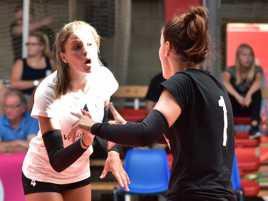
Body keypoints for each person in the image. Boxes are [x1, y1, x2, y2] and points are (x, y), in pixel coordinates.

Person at [70, 6, 236, 201]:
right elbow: (182, 136)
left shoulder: (182, 82)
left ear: (166, 48)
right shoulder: (214, 84)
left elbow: (145, 134)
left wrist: (94, 126)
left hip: (194, 195)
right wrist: (126, 129)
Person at [21, 21, 129, 201]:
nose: (85, 51)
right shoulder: (48, 90)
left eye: (89, 44)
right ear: (63, 56)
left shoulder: (104, 78)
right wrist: (85, 142)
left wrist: (114, 152)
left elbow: (111, 119)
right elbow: (56, 161)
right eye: (77, 47)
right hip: (43, 174)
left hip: (78, 173)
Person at [223, 43, 263, 138]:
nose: (247, 58)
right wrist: (238, 97)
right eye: (244, 55)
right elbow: (225, 83)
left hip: (250, 108)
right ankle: (229, 128)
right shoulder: (231, 70)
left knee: (257, 92)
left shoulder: (257, 70)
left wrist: (248, 95)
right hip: (235, 107)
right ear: (238, 57)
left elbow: (258, 82)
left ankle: (254, 128)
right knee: (227, 93)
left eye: (250, 55)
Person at [10, 31, 53, 99]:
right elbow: (14, 84)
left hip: (45, 98)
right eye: (28, 44)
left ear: (42, 46)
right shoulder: (20, 63)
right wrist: (37, 82)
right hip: (24, 98)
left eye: (33, 44)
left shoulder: (51, 62)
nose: (29, 47)